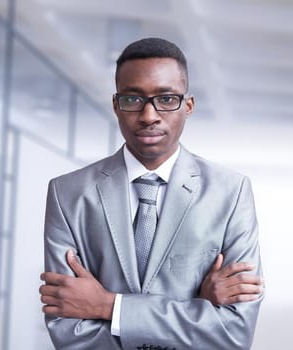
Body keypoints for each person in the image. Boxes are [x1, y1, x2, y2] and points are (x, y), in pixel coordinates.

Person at [39, 37, 264, 349]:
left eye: (167, 99)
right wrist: (198, 308)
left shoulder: (231, 192)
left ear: (188, 106)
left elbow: (234, 333)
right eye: (132, 100)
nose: (148, 116)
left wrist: (108, 306)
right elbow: (69, 333)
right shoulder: (67, 193)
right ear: (115, 105)